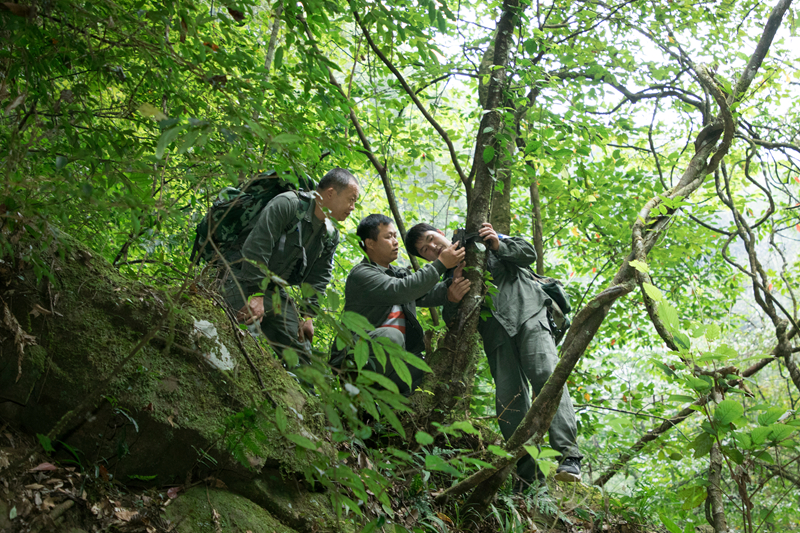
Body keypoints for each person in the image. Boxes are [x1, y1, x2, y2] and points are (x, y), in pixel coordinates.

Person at [406, 221, 582, 484]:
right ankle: (528, 477)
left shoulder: (478, 239)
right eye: (425, 250)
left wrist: (498, 243)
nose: (432, 247)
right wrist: (452, 299)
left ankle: (569, 456)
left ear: (440, 233)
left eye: (432, 238)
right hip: (497, 337)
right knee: (509, 401)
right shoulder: (445, 281)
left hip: (530, 313)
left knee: (546, 374)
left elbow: (527, 252)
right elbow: (451, 319)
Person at [225, 168, 360, 364]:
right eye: (351, 199)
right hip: (241, 278)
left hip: (274, 292)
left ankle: (303, 391)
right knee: (243, 335)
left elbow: (319, 276)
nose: (353, 207)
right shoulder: (288, 205)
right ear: (331, 193)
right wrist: (256, 293)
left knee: (301, 352)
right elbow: (256, 248)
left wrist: (307, 315)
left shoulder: (330, 234)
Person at [332, 214, 470, 394]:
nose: (395, 242)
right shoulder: (361, 274)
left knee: (435, 375)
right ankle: (355, 393)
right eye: (388, 237)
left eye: (395, 236)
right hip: (354, 361)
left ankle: (386, 409)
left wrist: (454, 285)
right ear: (370, 243)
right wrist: (441, 263)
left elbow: (426, 292)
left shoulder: (397, 273)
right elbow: (402, 290)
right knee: (391, 336)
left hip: (392, 362)